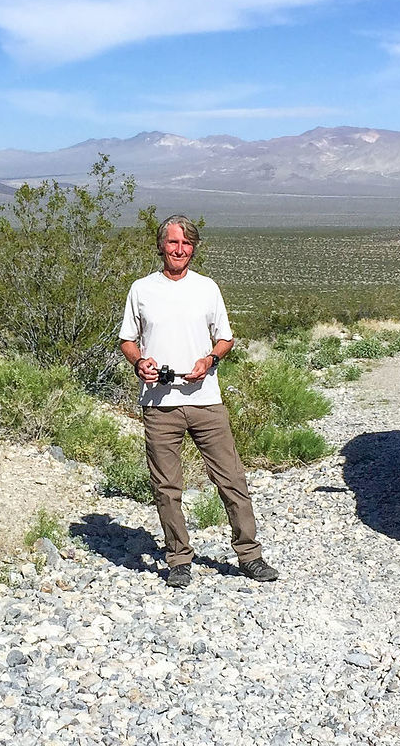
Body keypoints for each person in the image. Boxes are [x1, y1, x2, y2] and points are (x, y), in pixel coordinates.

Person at [118, 215, 278, 588]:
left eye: (187, 243)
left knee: (232, 479)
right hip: (160, 404)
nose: (180, 250)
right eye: (174, 242)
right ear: (161, 245)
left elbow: (225, 338)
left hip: (206, 400)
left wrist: (210, 360)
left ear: (194, 248)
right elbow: (127, 339)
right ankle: (178, 560)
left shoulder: (207, 288)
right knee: (166, 487)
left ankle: (250, 555)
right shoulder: (142, 289)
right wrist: (140, 362)